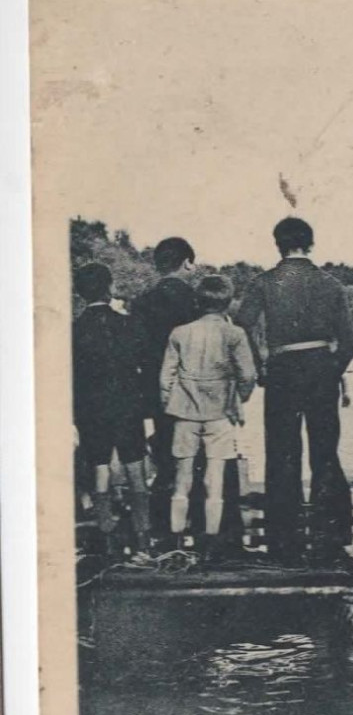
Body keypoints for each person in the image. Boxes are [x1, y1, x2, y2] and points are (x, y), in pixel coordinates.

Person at [233, 217, 353, 566]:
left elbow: (242, 326)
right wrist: (331, 370)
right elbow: (350, 340)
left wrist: (262, 367)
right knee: (325, 452)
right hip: (321, 369)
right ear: (311, 243)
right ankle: (330, 539)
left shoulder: (264, 282)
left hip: (283, 371)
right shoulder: (330, 284)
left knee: (282, 455)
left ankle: (283, 543)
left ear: (277, 245)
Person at [160, 274, 258, 559]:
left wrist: (173, 403)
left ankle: (177, 544)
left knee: (182, 479)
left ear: (198, 302)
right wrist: (238, 399)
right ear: (228, 303)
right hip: (219, 413)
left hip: (184, 412)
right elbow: (248, 375)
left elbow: (165, 377)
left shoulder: (179, 333)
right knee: (214, 481)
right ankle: (210, 548)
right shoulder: (234, 334)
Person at [73, 262, 152, 554]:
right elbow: (145, 364)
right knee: (135, 469)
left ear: (80, 293)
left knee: (100, 467)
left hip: (90, 409)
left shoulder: (74, 330)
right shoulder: (129, 324)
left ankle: (107, 536)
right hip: (127, 404)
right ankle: (144, 541)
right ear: (110, 288)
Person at [133, 236, 202, 540]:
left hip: (157, 393)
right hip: (196, 392)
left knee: (164, 457)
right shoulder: (198, 301)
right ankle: (201, 529)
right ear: (187, 263)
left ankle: (165, 532)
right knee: (197, 460)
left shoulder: (142, 303)